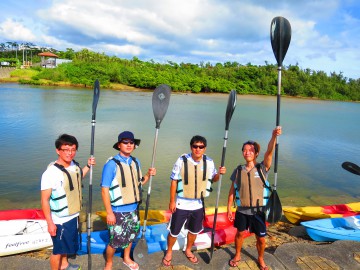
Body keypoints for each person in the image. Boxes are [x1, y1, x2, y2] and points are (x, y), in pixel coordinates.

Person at [162, 135, 226, 267]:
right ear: (191, 147)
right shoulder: (182, 160)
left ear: (204, 148)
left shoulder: (209, 162)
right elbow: (173, 181)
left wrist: (220, 174)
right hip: (181, 203)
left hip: (198, 204)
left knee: (194, 231)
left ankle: (188, 250)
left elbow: (214, 179)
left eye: (201, 147)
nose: (198, 149)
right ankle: (169, 252)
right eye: (195, 146)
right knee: (174, 231)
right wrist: (172, 201)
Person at [226, 127, 282, 270]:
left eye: (251, 150)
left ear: (256, 153)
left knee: (261, 239)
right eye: (245, 150)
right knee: (239, 233)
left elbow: (269, 152)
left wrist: (273, 136)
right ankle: (237, 254)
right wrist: (229, 208)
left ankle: (261, 258)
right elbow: (232, 190)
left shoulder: (263, 168)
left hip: (259, 211)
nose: (247, 152)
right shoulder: (238, 170)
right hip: (242, 210)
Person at [101, 131, 156, 270]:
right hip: (118, 211)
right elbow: (104, 190)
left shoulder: (136, 162)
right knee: (114, 241)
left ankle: (126, 258)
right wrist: (109, 212)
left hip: (134, 210)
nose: (129, 145)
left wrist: (148, 175)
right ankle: (109, 263)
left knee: (131, 237)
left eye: (131, 142)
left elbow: (138, 183)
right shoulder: (111, 165)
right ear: (119, 145)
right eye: (125, 142)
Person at [41, 134, 96, 270]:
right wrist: (50, 223)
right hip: (60, 220)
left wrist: (88, 166)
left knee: (66, 246)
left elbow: (77, 178)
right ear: (58, 150)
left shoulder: (74, 165)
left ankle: (65, 265)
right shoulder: (50, 173)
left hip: (73, 215)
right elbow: (44, 200)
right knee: (58, 250)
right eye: (66, 149)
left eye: (73, 149)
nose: (69, 153)